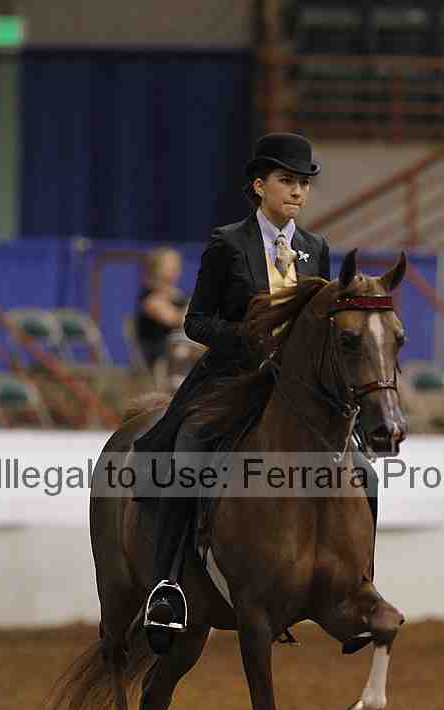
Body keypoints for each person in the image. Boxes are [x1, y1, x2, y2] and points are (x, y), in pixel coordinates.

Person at [135, 133, 330, 638]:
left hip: (296, 390)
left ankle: (349, 575)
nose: (298, 191)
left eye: (304, 183)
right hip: (232, 379)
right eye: (287, 180)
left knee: (360, 469)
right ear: (260, 185)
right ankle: (167, 587)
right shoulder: (229, 243)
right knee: (188, 451)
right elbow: (196, 322)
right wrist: (246, 336)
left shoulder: (315, 250)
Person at [134, 247, 188, 370]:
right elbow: (177, 320)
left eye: (177, 264)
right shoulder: (150, 297)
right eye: (169, 264)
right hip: (160, 353)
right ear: (155, 268)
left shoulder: (180, 294)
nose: (175, 268)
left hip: (181, 347)